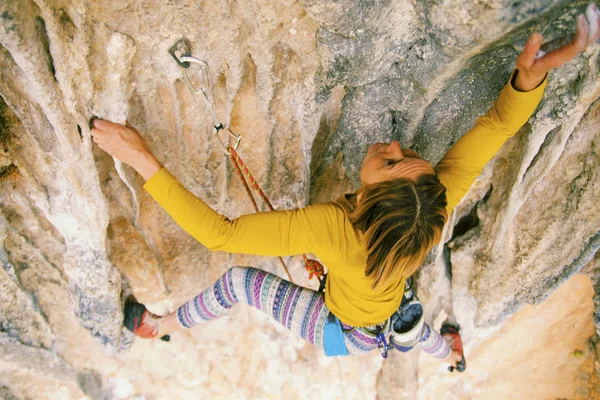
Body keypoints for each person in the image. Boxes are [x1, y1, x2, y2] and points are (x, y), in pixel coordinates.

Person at [91, 6, 600, 367]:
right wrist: (529, 79)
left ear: (374, 198)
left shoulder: (335, 227)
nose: (396, 146)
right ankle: (454, 353)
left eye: (392, 163)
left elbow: (221, 237)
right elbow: (494, 128)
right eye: (409, 157)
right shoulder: (429, 205)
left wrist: (140, 156)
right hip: (385, 313)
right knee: (421, 337)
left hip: (339, 326)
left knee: (238, 285)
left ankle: (163, 326)